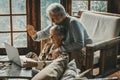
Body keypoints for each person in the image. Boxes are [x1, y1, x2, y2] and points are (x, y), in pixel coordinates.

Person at [27, 3, 92, 69]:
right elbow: (45, 33)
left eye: (53, 18)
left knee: (60, 52)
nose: (52, 21)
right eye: (50, 19)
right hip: (68, 48)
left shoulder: (73, 23)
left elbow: (79, 44)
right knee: (50, 46)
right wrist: (34, 35)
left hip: (84, 50)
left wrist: (60, 49)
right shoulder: (57, 22)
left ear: (61, 15)